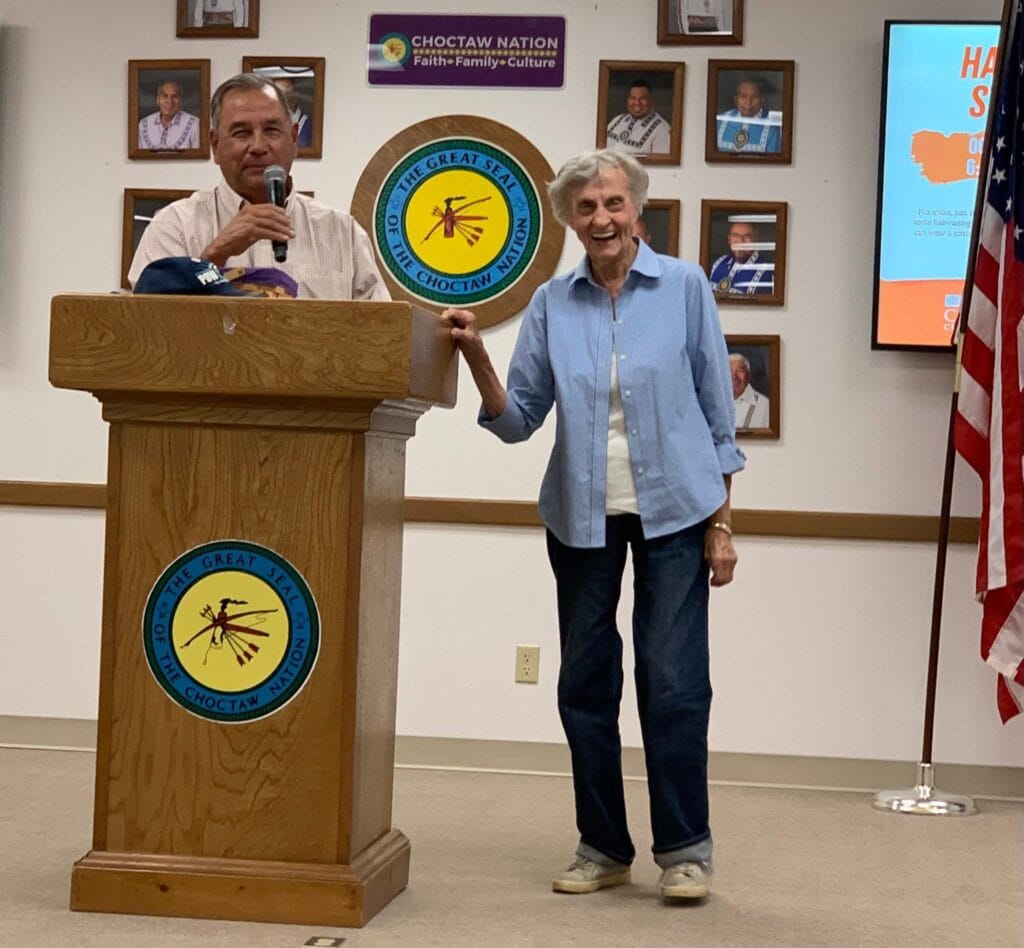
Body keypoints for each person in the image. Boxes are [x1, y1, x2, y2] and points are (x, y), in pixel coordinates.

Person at [444, 149, 744, 902]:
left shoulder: (683, 289)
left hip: (677, 511)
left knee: (673, 682)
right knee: (585, 683)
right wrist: (478, 354)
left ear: (636, 209)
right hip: (580, 517)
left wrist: (723, 524)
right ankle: (603, 846)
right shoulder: (552, 302)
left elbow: (717, 416)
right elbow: (517, 420)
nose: (602, 219)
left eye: (613, 204)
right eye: (586, 208)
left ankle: (685, 850)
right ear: (570, 219)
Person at [128, 73, 387, 301]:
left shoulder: (343, 233)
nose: (258, 146)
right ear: (215, 145)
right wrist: (216, 255)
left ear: (294, 139)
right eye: (241, 133)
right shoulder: (174, 227)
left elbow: (384, 334)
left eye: (272, 131)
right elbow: (149, 329)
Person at [716, 75, 782, 155]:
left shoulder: (772, 127)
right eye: (743, 96)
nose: (748, 102)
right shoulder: (720, 121)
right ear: (736, 100)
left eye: (755, 97)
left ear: (762, 99)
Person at [709, 220, 774, 295]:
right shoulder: (718, 263)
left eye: (747, 236)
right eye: (735, 236)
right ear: (729, 239)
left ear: (756, 239)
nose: (741, 241)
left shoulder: (767, 273)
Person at [606, 80, 671, 155]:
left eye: (643, 99)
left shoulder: (662, 130)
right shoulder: (617, 120)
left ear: (652, 101)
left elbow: (662, 165)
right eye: (633, 98)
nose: (637, 103)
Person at [137, 80, 199, 151]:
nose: (169, 101)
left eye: (174, 96)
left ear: (181, 101)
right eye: (165, 96)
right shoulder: (143, 124)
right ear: (158, 99)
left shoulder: (194, 124)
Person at [730, 354, 770, 429]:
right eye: (729, 371)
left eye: (740, 371)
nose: (734, 376)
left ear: (748, 375)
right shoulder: (713, 403)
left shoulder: (765, 405)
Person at [274, 77, 313, 148]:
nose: (281, 99)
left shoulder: (309, 125)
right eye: (277, 94)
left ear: (295, 96)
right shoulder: (267, 122)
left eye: (285, 94)